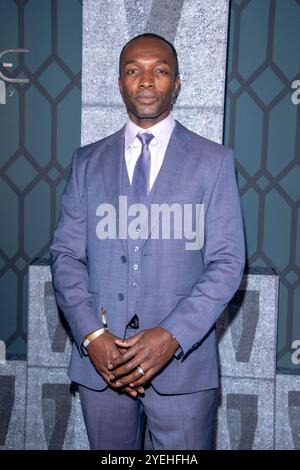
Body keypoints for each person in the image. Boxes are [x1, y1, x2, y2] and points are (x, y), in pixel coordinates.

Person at [50, 32, 245, 450]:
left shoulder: (214, 162)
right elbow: (65, 256)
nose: (146, 80)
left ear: (176, 84)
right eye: (133, 70)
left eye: (160, 70)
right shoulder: (86, 162)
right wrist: (91, 337)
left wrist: (172, 334)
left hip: (184, 369)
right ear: (120, 82)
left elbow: (228, 262)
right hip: (102, 368)